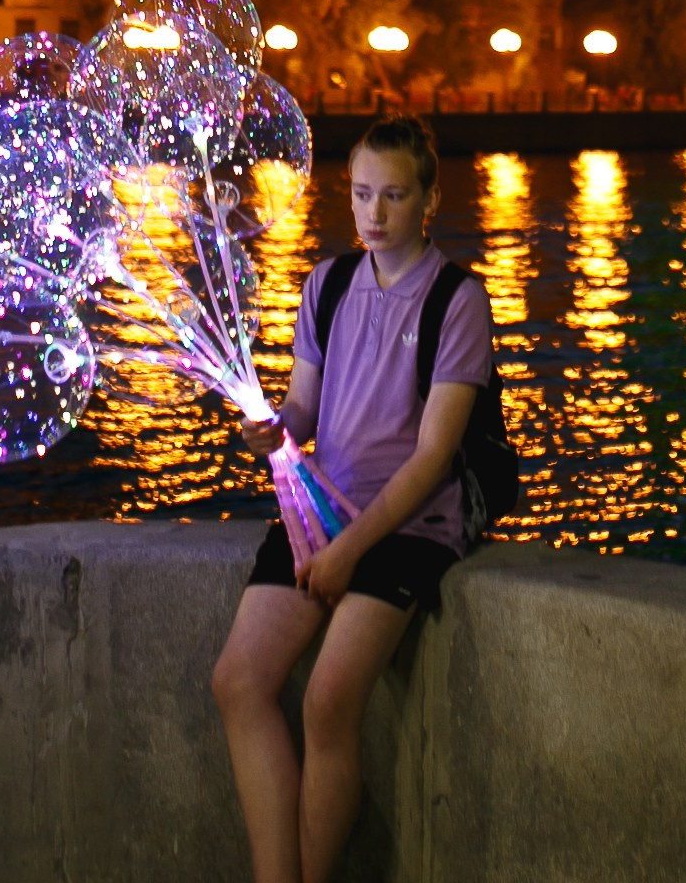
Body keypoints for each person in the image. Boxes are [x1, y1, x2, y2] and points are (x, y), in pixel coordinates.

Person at [211, 115, 494, 883]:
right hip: (318, 513)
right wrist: (274, 428)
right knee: (238, 681)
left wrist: (349, 551)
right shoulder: (328, 284)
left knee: (329, 701)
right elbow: (304, 410)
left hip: (406, 525)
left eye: (394, 195)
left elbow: (434, 456)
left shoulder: (457, 301)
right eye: (362, 193)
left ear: (429, 198)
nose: (374, 213)